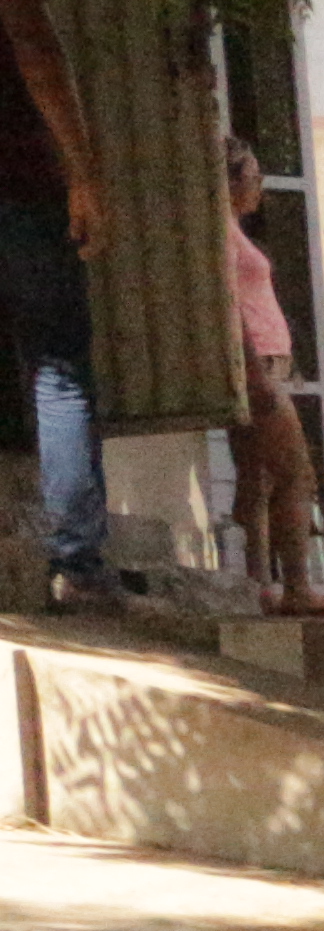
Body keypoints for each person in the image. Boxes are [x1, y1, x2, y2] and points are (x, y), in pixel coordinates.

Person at [0, 0, 109, 610]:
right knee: (59, 370)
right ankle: (79, 564)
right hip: (20, 191)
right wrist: (83, 173)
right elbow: (36, 50)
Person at [219, 138, 324, 615]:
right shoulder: (223, 234)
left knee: (257, 476)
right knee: (296, 472)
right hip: (259, 366)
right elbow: (230, 307)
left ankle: (258, 585)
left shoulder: (231, 230)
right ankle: (296, 586)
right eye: (253, 178)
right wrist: (255, 372)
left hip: (267, 364)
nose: (260, 190)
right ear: (231, 181)